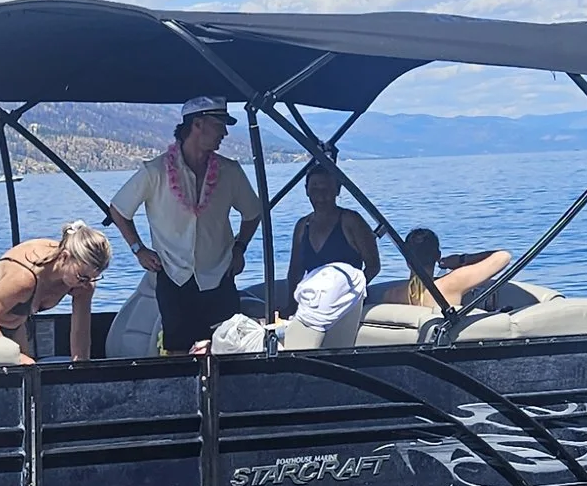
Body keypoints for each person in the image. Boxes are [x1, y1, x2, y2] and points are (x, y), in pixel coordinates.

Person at [109, 97, 264, 354]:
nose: (225, 132)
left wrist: (240, 247)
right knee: (178, 351)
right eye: (219, 125)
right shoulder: (155, 171)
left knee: (228, 348)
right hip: (173, 275)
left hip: (220, 276)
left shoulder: (230, 171)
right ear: (198, 124)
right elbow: (118, 209)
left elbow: (253, 212)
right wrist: (138, 249)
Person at [0, 221, 112, 361]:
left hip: (15, 326)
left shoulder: (82, 282)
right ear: (64, 257)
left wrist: (81, 370)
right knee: (26, 367)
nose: (85, 283)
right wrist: (17, 357)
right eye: (82, 277)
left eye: (93, 278)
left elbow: (81, 342)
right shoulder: (24, 278)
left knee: (31, 372)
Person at [285, 157, 380, 292]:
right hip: (314, 302)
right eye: (315, 189)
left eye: (326, 189)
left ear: (337, 190)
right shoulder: (302, 226)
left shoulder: (351, 221)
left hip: (348, 302)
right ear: (307, 190)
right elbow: (295, 271)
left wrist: (350, 293)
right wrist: (291, 306)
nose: (320, 196)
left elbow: (373, 266)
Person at [392, 226, 515, 311]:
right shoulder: (451, 283)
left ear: (407, 260)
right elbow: (503, 256)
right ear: (438, 256)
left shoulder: (393, 294)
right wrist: (462, 260)